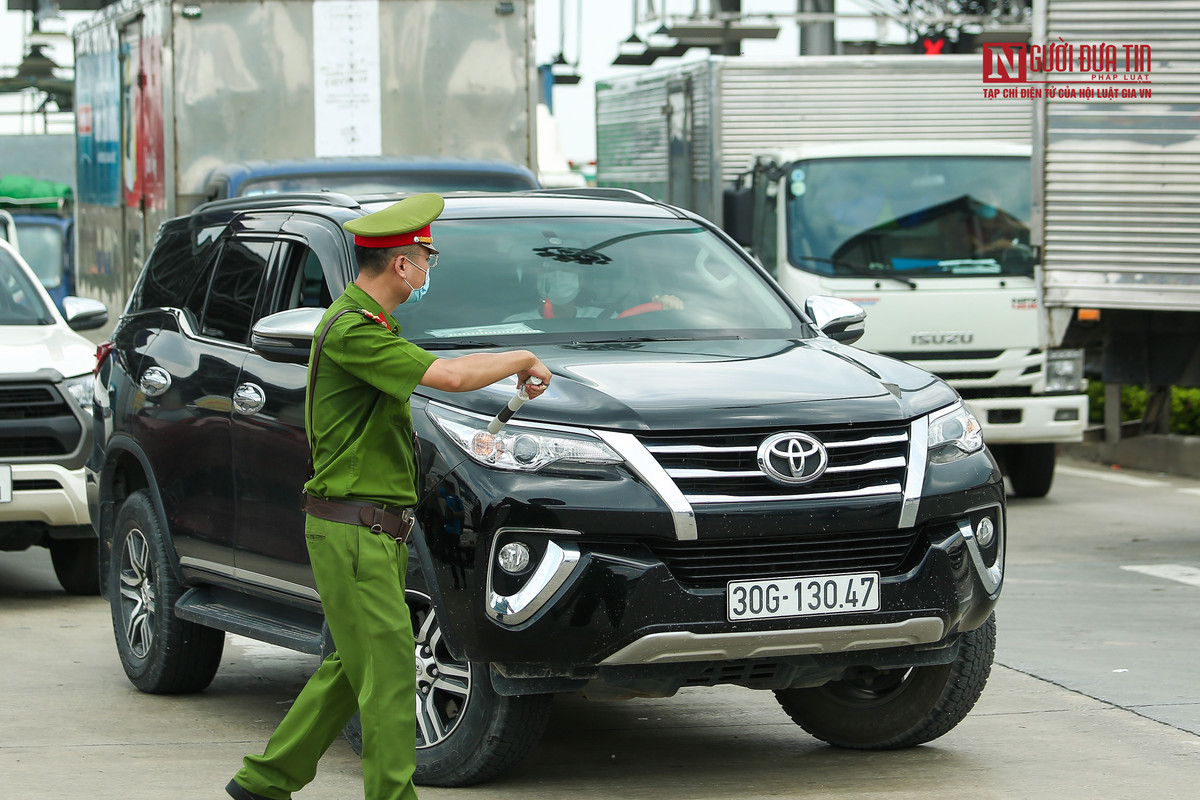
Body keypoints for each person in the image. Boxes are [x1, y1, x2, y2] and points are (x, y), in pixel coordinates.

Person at [226, 193, 551, 800]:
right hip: (354, 530)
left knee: (354, 667)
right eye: (426, 258)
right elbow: (450, 377)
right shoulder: (353, 330)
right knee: (393, 671)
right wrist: (522, 358)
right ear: (402, 265)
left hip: (366, 529)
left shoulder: (372, 328)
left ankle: (264, 782)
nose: (429, 270)